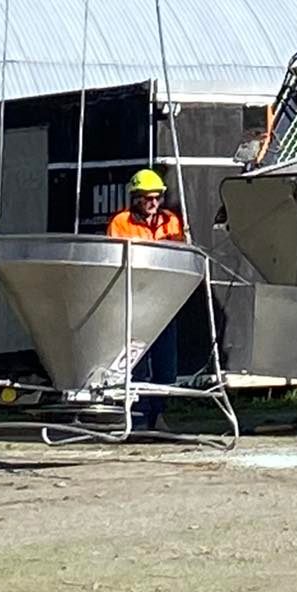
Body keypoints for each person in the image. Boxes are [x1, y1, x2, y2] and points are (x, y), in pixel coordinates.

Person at [107, 169, 185, 428]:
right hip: (135, 303)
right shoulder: (121, 223)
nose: (153, 203)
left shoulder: (171, 221)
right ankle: (138, 416)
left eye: (157, 198)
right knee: (136, 361)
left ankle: (160, 413)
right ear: (135, 198)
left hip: (164, 302)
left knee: (165, 363)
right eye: (147, 198)